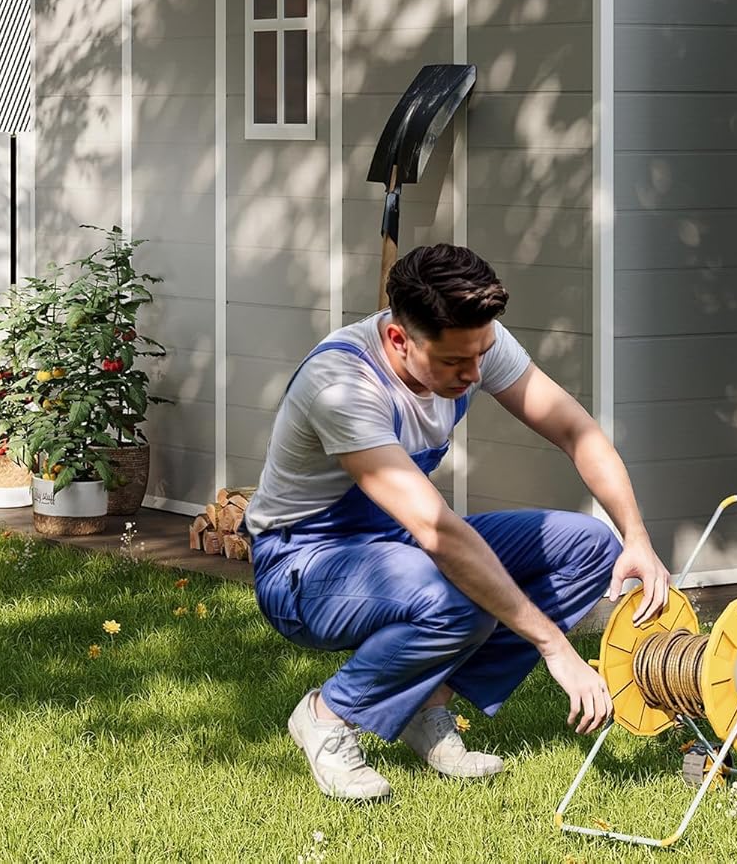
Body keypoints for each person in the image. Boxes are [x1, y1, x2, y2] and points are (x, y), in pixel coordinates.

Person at [246, 243, 671, 801]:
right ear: (399, 339)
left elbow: (577, 431)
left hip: (395, 541)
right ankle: (328, 715)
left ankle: (428, 702)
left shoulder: (471, 339)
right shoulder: (342, 385)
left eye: (482, 354)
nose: (474, 374)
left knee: (589, 546)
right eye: (454, 364)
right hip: (304, 562)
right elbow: (437, 532)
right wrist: (554, 646)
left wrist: (636, 536)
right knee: (457, 599)